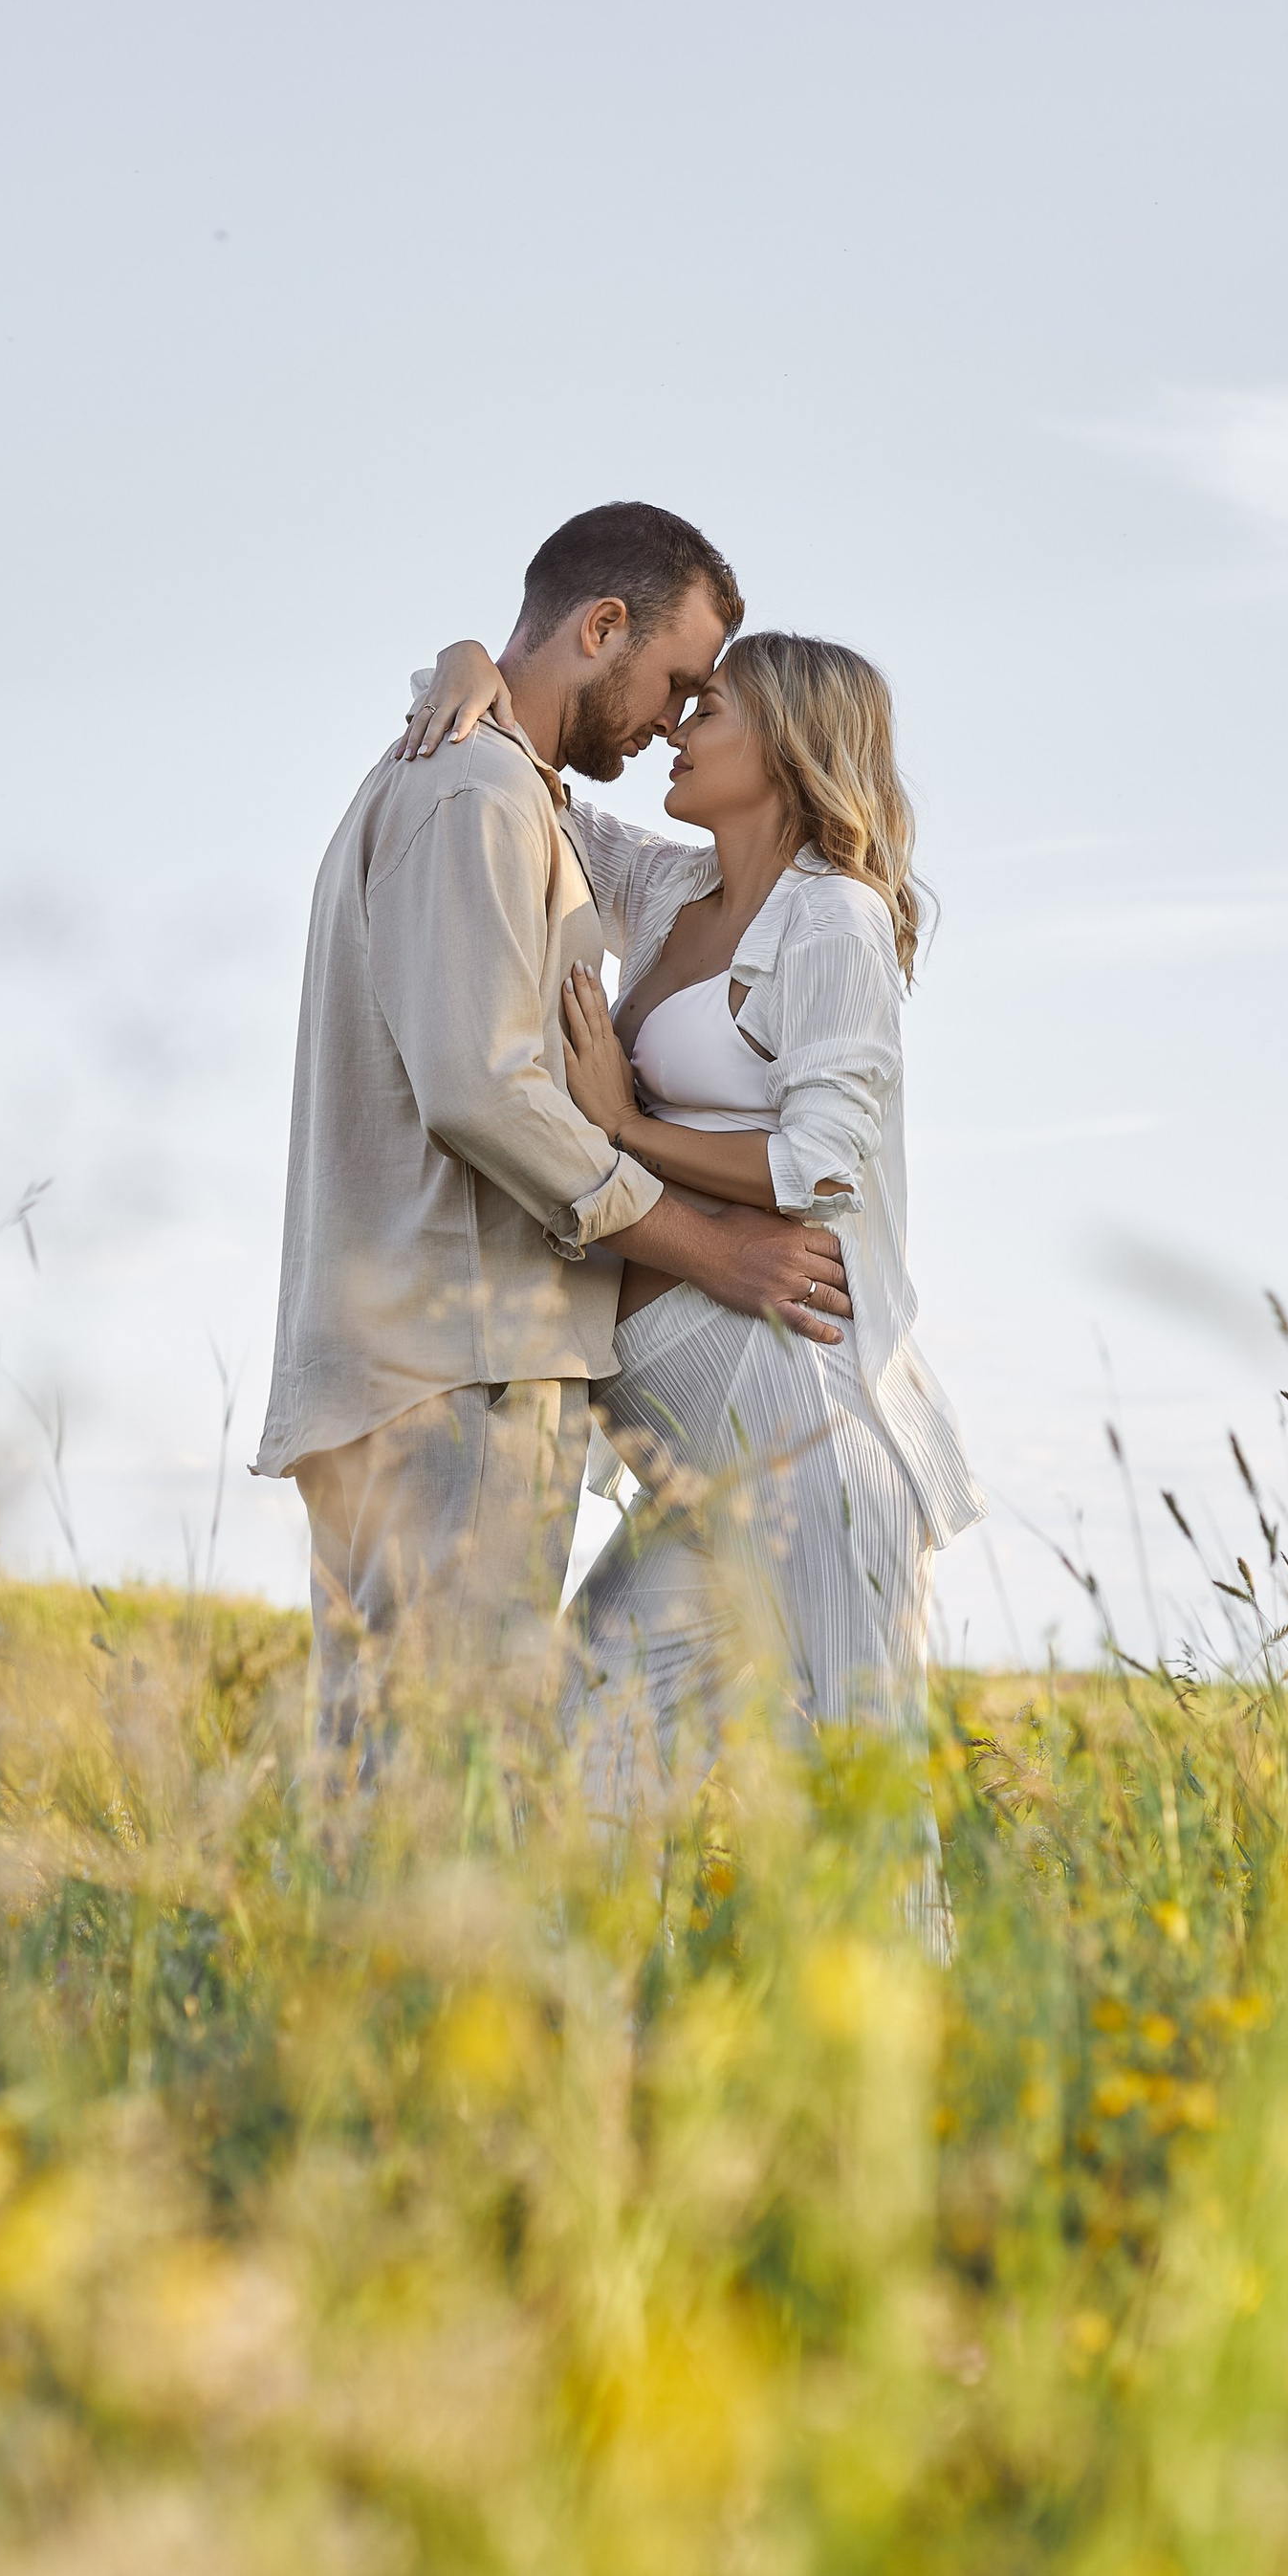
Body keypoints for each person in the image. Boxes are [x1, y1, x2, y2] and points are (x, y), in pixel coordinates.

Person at [253, 504, 857, 1767]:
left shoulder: (488, 781)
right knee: (432, 1790)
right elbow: (484, 1090)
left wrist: (462, 659)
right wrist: (710, 1248)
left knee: (398, 1773)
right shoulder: (476, 796)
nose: (672, 722)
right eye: (677, 680)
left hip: (430, 1364)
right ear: (601, 628)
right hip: (457, 1369)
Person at [402, 624, 982, 1934]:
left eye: (706, 708)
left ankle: (918, 2110)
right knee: (586, 1743)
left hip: (809, 1430)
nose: (673, 727)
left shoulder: (832, 919)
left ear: (781, 746)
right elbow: (536, 779)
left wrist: (622, 1130)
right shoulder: (670, 895)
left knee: (868, 1813)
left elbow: (821, 1160)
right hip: (688, 1447)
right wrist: (462, 662)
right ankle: (610, 2072)